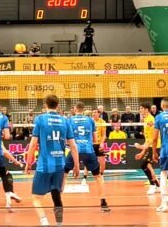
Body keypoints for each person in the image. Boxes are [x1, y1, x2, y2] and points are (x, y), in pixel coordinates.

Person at [25, 94, 80, 226]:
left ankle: (44, 222)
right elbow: (73, 146)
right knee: (57, 195)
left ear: (45, 105)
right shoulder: (65, 120)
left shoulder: (40, 119)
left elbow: (33, 144)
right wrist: (77, 166)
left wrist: (28, 163)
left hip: (44, 165)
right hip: (59, 165)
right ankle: (59, 224)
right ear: (58, 105)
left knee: (36, 198)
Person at [65, 102, 110, 212]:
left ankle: (58, 205)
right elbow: (95, 139)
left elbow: (66, 139)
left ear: (75, 109)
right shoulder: (90, 120)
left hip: (75, 150)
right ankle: (103, 203)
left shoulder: (69, 120)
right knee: (98, 176)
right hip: (88, 150)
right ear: (83, 109)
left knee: (63, 174)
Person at [134, 103, 161, 195]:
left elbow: (154, 137)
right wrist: (142, 152)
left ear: (146, 110)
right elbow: (147, 139)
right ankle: (157, 185)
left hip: (156, 146)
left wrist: (141, 147)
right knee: (146, 165)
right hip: (150, 146)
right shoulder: (145, 119)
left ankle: (153, 185)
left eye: (141, 108)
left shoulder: (150, 120)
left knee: (144, 164)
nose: (140, 110)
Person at [92, 109, 107, 175]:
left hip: (99, 144)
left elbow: (104, 135)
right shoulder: (90, 121)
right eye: (93, 112)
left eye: (95, 112)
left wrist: (101, 143)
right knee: (88, 161)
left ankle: (101, 174)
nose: (94, 113)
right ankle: (85, 177)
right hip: (91, 144)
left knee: (102, 162)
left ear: (99, 114)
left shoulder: (102, 122)